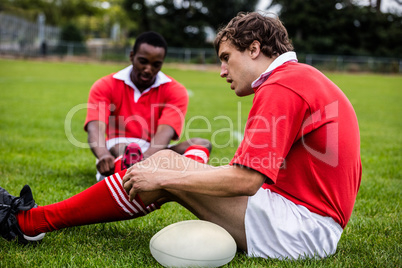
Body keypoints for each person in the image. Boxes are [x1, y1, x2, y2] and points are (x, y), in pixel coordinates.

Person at [0, 12, 361, 260]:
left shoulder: (284, 86)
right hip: (302, 218)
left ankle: (31, 222)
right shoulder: (300, 78)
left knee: (166, 166)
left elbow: (247, 180)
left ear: (254, 49)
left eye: (226, 58)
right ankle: (34, 220)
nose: (222, 71)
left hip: (301, 229)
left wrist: (164, 175)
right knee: (168, 165)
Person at [85, 31, 212, 181]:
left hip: (154, 151)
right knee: (124, 146)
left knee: (202, 144)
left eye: (156, 64)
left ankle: (180, 179)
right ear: (132, 56)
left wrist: (146, 159)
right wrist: (103, 155)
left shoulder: (175, 90)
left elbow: (166, 131)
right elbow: (95, 126)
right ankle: (139, 172)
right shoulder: (105, 85)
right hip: (117, 147)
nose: (148, 69)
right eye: (143, 61)